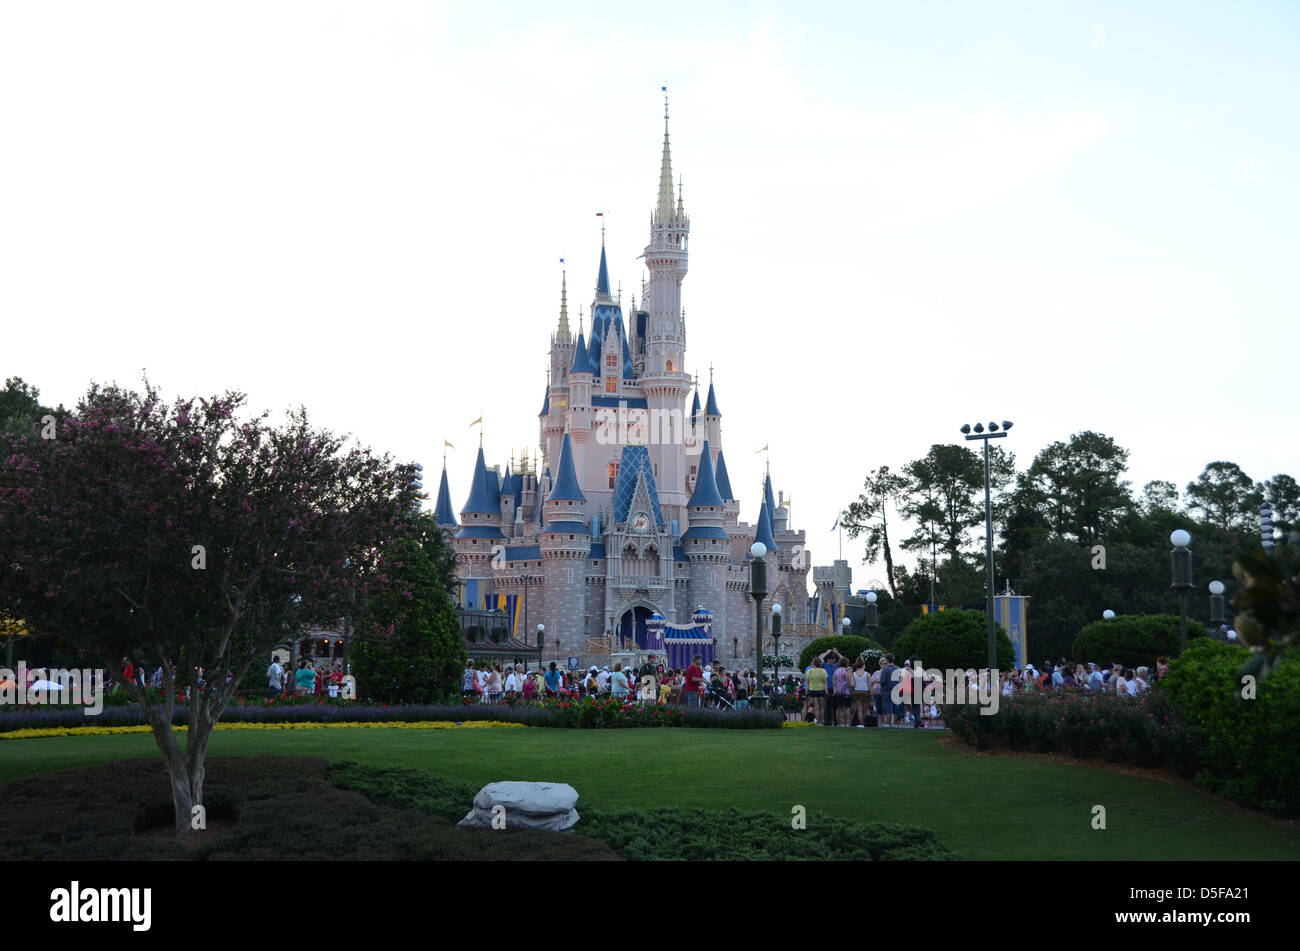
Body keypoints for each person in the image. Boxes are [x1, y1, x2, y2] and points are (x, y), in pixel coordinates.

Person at [805, 656, 828, 724]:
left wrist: (806, 691)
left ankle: (818, 721)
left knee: (816, 707)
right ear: (820, 663)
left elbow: (808, 683)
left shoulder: (809, 671)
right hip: (821, 690)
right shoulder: (823, 671)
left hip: (812, 690)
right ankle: (821, 721)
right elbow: (825, 682)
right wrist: (826, 691)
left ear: (813, 663)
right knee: (822, 707)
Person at [832, 660, 853, 726]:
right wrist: (851, 690)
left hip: (838, 692)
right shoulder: (847, 671)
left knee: (839, 708)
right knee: (847, 708)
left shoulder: (837, 670)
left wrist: (835, 690)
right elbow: (850, 682)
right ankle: (847, 723)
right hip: (846, 692)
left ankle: (840, 723)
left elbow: (833, 681)